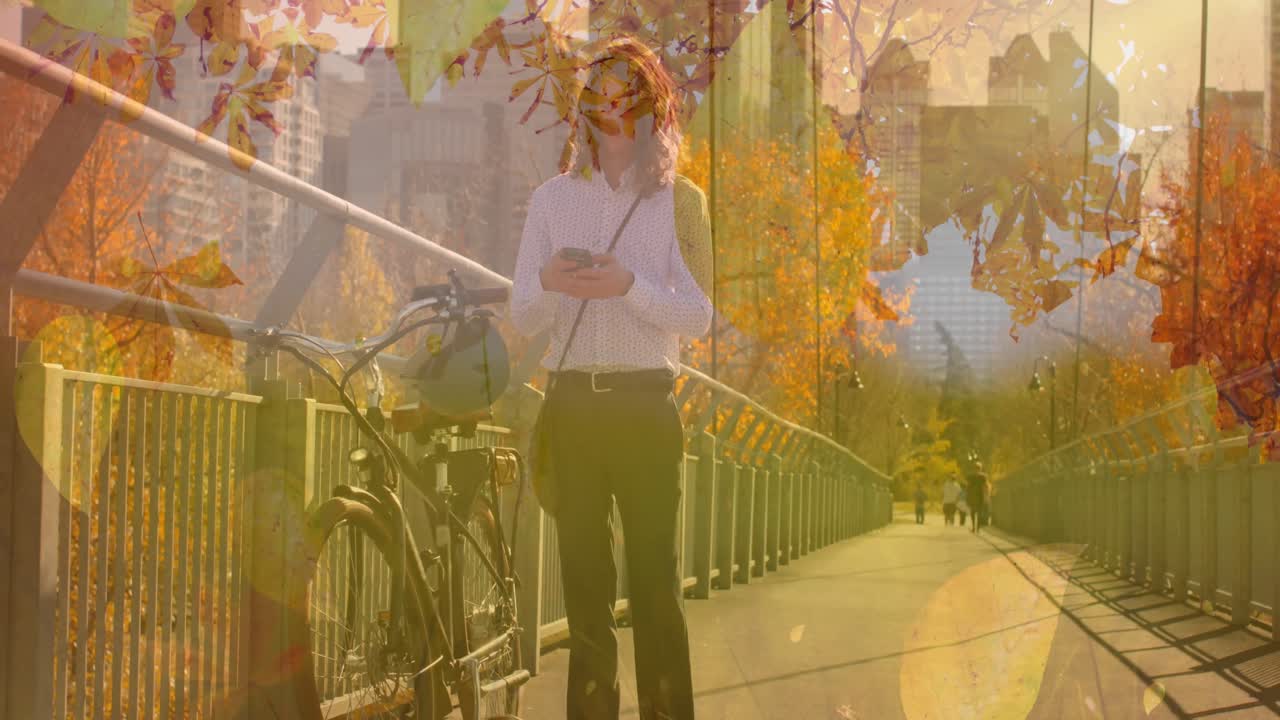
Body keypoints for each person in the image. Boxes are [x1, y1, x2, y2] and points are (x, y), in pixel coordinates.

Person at [511, 35, 712, 720]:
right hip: (571, 409)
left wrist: (629, 285)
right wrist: (549, 280)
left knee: (656, 591)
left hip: (645, 410)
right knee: (586, 598)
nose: (613, 114)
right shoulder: (550, 201)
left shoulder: (682, 202)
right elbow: (522, 308)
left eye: (629, 101)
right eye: (601, 100)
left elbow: (701, 315)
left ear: (654, 112)